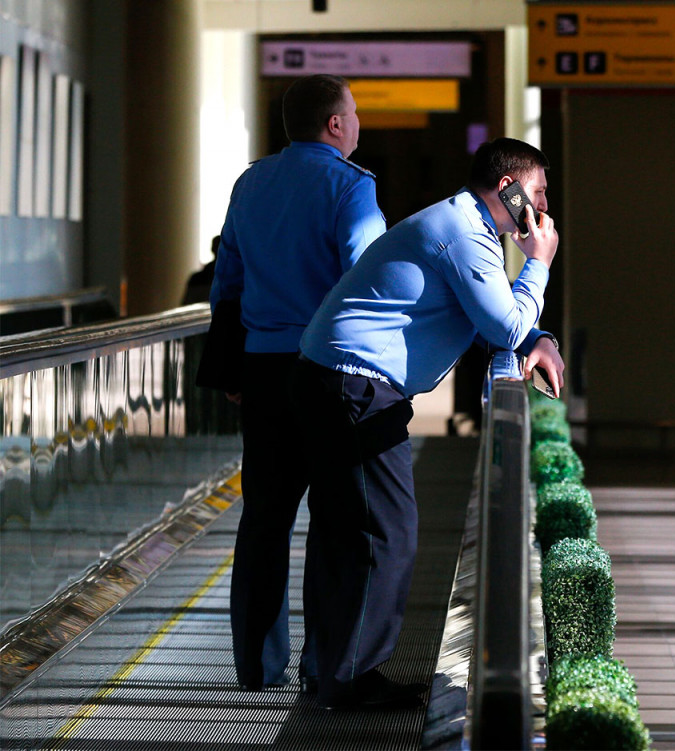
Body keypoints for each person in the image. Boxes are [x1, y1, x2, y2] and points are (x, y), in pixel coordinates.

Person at [293, 137, 565, 710]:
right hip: (357, 387)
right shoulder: (464, 234)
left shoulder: (462, 223)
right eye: (538, 193)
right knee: (386, 534)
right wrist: (538, 262)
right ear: (509, 190)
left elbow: (506, 323)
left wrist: (534, 333)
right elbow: (504, 325)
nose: (543, 210)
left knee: (342, 531)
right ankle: (349, 681)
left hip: (335, 378)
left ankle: (326, 671)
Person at [209, 74, 386, 694]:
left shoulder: (251, 182)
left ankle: (255, 668)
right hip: (328, 371)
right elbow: (369, 284)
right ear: (335, 124)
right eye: (355, 112)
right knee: (337, 519)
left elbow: (225, 278)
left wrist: (231, 364)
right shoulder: (351, 187)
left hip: (260, 368)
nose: (358, 122)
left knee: (264, 517)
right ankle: (322, 667)